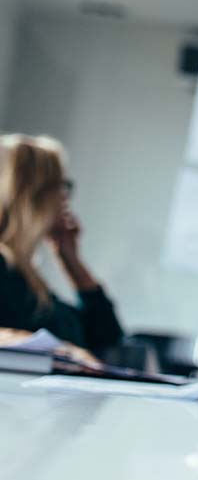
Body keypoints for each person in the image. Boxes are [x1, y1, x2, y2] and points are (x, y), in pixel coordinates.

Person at [0, 134, 124, 352]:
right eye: (61, 186)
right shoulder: (4, 269)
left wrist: (71, 259)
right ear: (33, 193)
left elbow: (106, 337)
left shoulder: (26, 277)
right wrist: (60, 350)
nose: (65, 198)